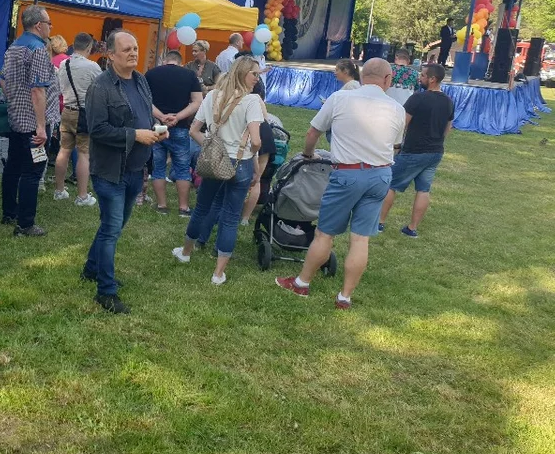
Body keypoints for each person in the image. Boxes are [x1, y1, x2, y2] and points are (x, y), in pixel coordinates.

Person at [275, 57, 404, 310]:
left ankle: (302, 283)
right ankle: (344, 297)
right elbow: (396, 146)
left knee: (325, 234)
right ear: (387, 80)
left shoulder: (340, 98)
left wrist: (309, 154)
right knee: (360, 239)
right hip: (380, 175)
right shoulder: (396, 108)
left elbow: (313, 132)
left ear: (362, 74)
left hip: (347, 173)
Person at [82, 30, 166, 313]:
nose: (133, 53)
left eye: (135, 48)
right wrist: (135, 135)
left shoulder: (141, 80)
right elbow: (97, 130)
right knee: (111, 229)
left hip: (135, 169)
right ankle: (105, 292)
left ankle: (91, 269)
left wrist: (154, 132)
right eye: (126, 49)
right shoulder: (101, 87)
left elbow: (142, 115)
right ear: (111, 55)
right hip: (109, 171)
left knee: (112, 226)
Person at [171, 57, 262, 284]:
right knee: (231, 217)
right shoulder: (252, 101)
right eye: (255, 74)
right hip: (241, 162)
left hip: (214, 160)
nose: (257, 79)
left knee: (202, 207)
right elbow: (258, 140)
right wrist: (248, 153)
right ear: (243, 74)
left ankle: (186, 252)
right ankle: (218, 273)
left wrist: (212, 147)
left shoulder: (212, 96)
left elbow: (194, 130)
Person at [0, 5, 61, 237]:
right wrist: (40, 125)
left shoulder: (13, 47)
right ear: (39, 25)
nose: (50, 28)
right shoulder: (37, 49)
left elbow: (3, 81)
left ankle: (9, 212)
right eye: (49, 23)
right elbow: (38, 90)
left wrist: (15, 100)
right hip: (34, 123)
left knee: (14, 166)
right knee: (32, 172)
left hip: (16, 118)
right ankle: (25, 224)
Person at [378, 63, 454, 237]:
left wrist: (395, 144)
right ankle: (412, 229)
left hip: (413, 151)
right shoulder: (448, 101)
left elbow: (402, 124)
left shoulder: (417, 98)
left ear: (432, 79)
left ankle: (379, 223)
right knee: (423, 189)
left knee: (391, 184)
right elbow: (447, 129)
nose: (420, 78)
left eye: (423, 75)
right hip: (435, 152)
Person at [144, 50, 202, 216]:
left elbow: (146, 101)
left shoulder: (151, 74)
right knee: (183, 168)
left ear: (164, 61)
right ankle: (183, 207)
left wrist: (162, 116)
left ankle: (162, 205)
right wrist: (177, 117)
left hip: (157, 126)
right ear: (180, 62)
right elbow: (197, 101)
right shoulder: (190, 75)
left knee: (158, 167)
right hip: (181, 127)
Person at [55, 31, 101, 206]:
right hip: (84, 112)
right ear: (89, 47)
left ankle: (59, 190)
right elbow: (100, 90)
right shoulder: (92, 66)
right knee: (84, 152)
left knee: (64, 150)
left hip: (66, 110)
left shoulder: (63, 64)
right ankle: (82, 196)